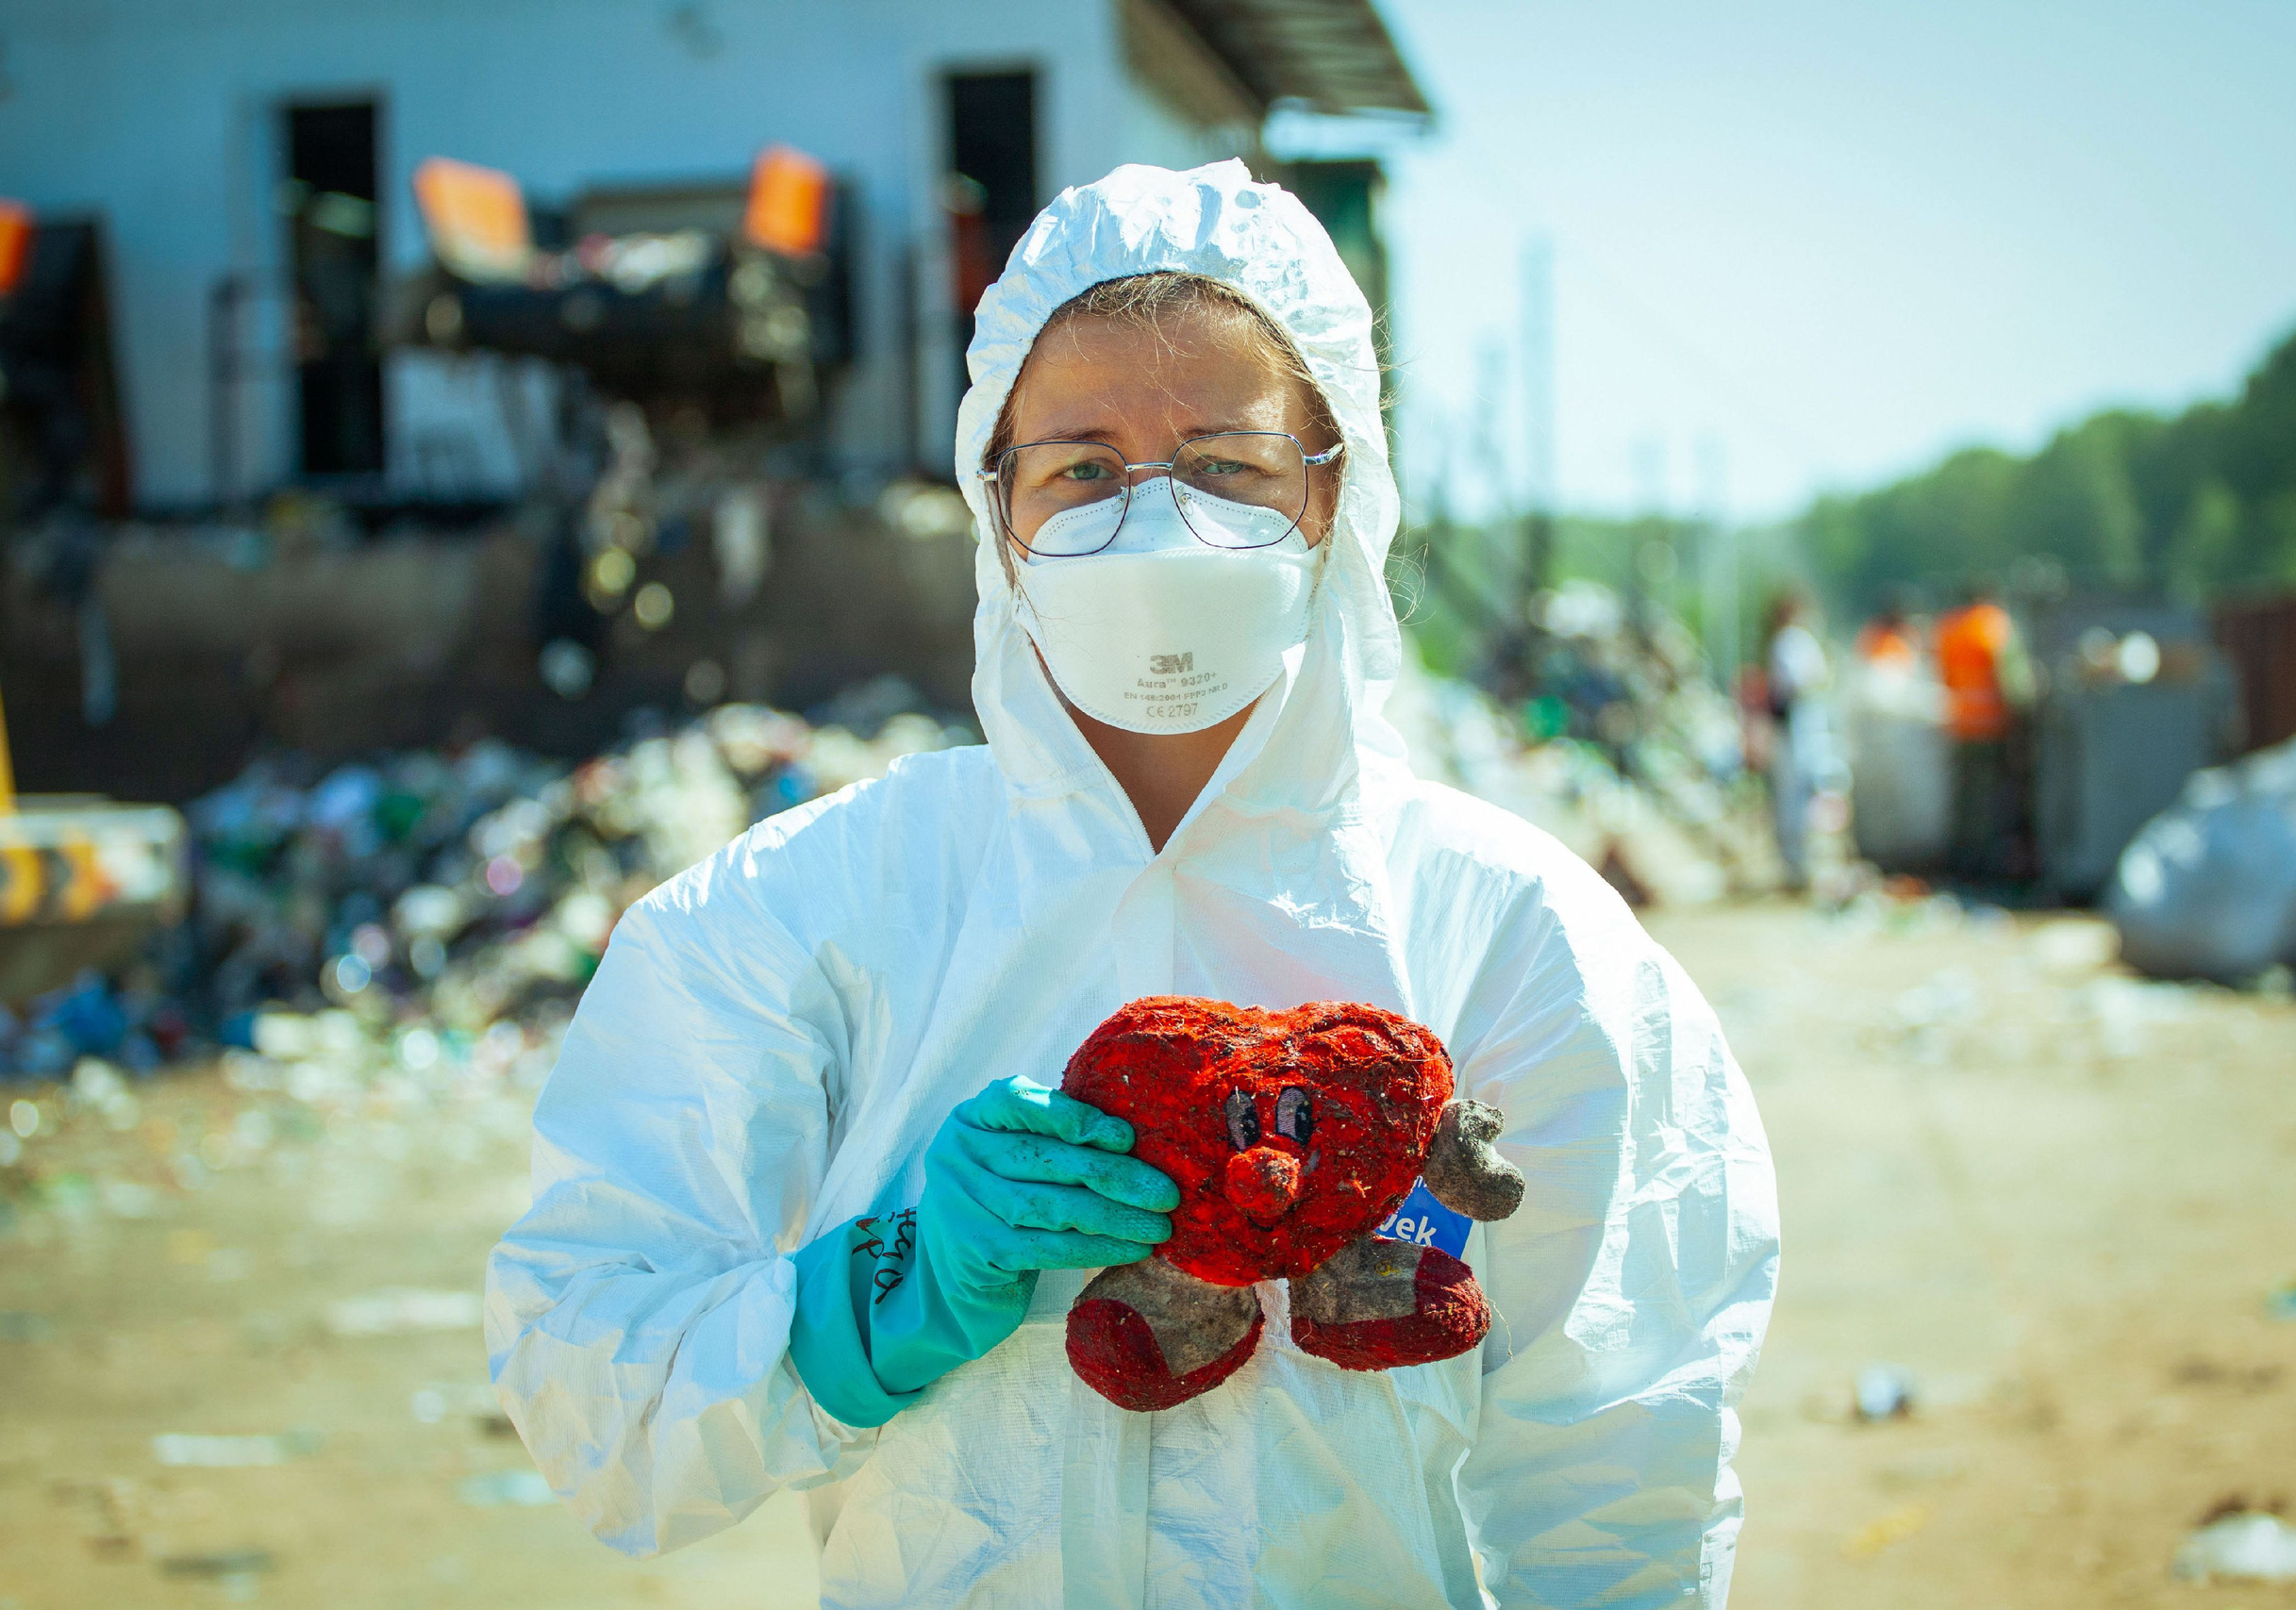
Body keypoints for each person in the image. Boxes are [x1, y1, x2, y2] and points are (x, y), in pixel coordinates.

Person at [487, 161, 1778, 1608]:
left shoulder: (1514, 934)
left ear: (1332, 490)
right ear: (998, 508)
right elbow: (589, 1388)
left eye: (1227, 464)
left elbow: (1620, 1475)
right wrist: (885, 1289)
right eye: (1084, 470)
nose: (1157, 529)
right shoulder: (816, 910)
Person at [1934, 582, 2034, 884]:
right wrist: (2022, 717)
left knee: (1966, 799)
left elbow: (1943, 675)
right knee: (1994, 800)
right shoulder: (1993, 624)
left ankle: (1962, 860)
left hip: (1960, 725)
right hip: (1992, 727)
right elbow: (2012, 682)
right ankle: (1990, 864)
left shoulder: (1949, 627)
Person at [1761, 592, 1834, 891]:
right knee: (1794, 799)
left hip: (1802, 729)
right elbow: (1797, 683)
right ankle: (1796, 869)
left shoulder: (1792, 640)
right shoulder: (1790, 640)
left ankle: (1802, 867)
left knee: (1803, 798)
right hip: (1794, 729)